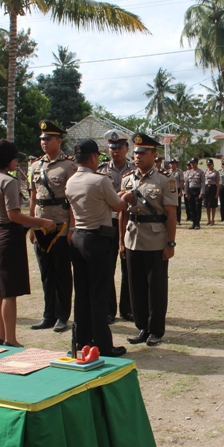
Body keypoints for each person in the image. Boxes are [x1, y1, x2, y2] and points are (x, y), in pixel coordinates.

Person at [0, 139, 56, 347]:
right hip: (9, 236)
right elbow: (14, 215)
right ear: (8, 160)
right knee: (9, 292)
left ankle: (2, 335)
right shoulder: (9, 182)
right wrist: (41, 222)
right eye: (15, 158)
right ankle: (11, 339)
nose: (16, 162)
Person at [67, 138, 135, 357]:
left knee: (82, 293)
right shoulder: (99, 181)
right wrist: (128, 196)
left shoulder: (71, 181)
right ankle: (103, 344)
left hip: (78, 236)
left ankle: (82, 340)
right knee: (99, 293)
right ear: (94, 157)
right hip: (98, 239)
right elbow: (118, 205)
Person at [120, 133, 178, 347]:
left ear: (154, 155)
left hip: (156, 240)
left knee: (156, 287)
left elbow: (171, 215)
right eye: (136, 153)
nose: (138, 157)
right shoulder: (127, 179)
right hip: (132, 237)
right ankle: (142, 327)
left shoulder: (165, 180)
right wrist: (120, 241)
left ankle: (156, 330)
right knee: (135, 287)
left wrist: (170, 243)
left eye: (143, 153)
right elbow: (123, 214)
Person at [28, 120, 77, 333]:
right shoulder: (35, 166)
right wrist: (31, 225)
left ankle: (62, 316)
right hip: (41, 225)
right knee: (45, 272)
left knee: (62, 273)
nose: (44, 143)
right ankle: (48, 314)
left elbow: (73, 199)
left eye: (48, 139)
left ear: (59, 140)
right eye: (42, 139)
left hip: (61, 225)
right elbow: (32, 197)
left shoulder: (69, 165)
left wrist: (72, 228)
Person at [98, 130, 135, 323]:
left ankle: (127, 309)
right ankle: (109, 310)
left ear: (127, 148)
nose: (116, 151)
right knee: (107, 267)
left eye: (120, 147)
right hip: (108, 222)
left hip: (130, 221)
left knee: (127, 266)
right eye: (112, 147)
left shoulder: (135, 170)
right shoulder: (101, 170)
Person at [184, 158, 205, 229]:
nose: (192, 165)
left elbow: (202, 183)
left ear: (197, 163)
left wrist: (202, 193)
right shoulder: (188, 172)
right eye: (191, 163)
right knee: (191, 207)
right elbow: (186, 183)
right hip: (190, 191)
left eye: (194, 163)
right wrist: (186, 192)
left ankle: (197, 223)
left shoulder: (201, 172)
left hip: (197, 191)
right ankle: (193, 222)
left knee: (198, 207)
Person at [203, 159, 220, 225]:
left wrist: (217, 192)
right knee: (207, 205)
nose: (208, 166)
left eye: (210, 164)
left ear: (212, 164)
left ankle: (213, 220)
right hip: (207, 188)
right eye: (207, 165)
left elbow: (218, 183)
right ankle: (208, 220)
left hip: (213, 188)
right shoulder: (205, 172)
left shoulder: (216, 172)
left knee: (213, 206)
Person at [167, 159, 184, 224]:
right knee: (170, 205)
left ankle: (178, 220)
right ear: (169, 164)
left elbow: (182, 181)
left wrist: (181, 191)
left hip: (177, 189)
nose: (172, 165)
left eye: (173, 163)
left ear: (176, 164)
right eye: (171, 163)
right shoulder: (168, 172)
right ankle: (170, 219)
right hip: (170, 190)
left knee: (178, 205)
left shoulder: (179, 172)